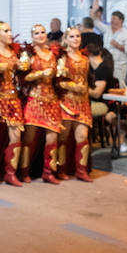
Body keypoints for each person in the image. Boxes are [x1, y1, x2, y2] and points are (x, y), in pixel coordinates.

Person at [22, 23, 63, 184]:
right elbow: (24, 77)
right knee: (29, 138)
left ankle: (48, 172)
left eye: (43, 32)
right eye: (37, 33)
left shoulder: (54, 54)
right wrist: (40, 74)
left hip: (51, 99)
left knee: (52, 137)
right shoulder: (29, 53)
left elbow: (58, 76)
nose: (40, 35)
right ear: (32, 37)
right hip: (34, 99)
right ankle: (24, 171)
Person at [0, 21, 26, 187]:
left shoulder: (14, 51)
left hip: (12, 98)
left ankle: (11, 173)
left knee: (16, 136)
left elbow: (22, 70)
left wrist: (23, 64)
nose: (10, 34)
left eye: (10, 31)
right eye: (6, 31)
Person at [57, 25, 94, 182]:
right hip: (66, 101)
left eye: (78, 36)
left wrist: (84, 89)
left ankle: (81, 171)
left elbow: (86, 80)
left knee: (82, 136)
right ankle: (61, 169)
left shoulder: (85, 59)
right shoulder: (62, 58)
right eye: (72, 36)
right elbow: (58, 82)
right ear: (65, 39)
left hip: (83, 102)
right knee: (63, 137)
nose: (75, 39)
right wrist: (74, 87)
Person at [93, 6, 127, 84]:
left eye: (114, 18)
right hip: (106, 63)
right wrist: (94, 10)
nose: (112, 20)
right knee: (107, 84)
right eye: (111, 18)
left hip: (119, 65)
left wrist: (118, 45)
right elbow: (95, 22)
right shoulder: (107, 29)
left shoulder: (126, 33)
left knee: (118, 84)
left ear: (121, 20)